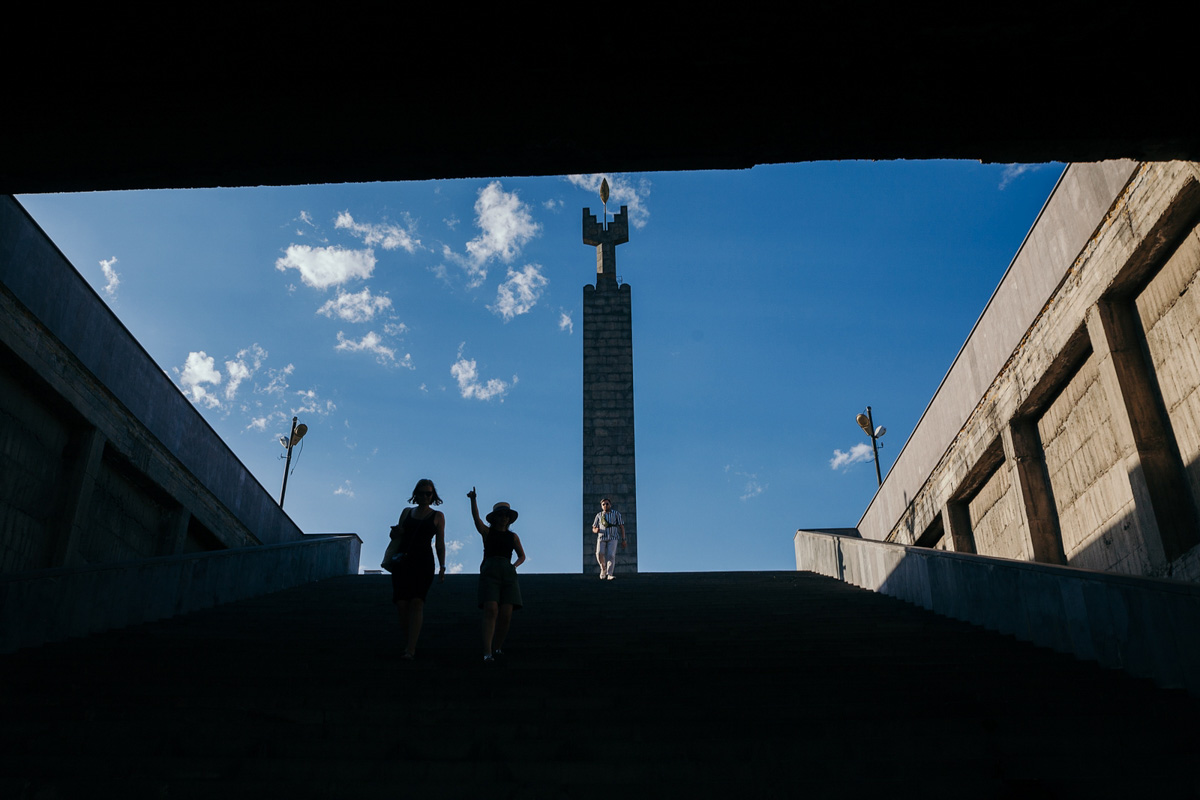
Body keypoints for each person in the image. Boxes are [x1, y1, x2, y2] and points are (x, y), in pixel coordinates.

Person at [382, 478, 446, 660]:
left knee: (417, 602)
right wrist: (395, 532)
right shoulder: (406, 512)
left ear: (433, 496)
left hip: (424, 562)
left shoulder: (438, 516)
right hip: (403, 561)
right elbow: (398, 534)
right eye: (422, 492)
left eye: (429, 493)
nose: (425, 496)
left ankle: (411, 648)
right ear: (415, 494)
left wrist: (442, 567)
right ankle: (409, 639)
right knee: (402, 604)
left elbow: (440, 543)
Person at [468, 487, 525, 663]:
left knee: (506, 613)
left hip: (507, 572)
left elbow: (522, 555)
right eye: (501, 515)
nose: (504, 518)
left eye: (506, 515)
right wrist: (473, 500)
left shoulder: (513, 536)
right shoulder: (487, 532)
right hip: (491, 569)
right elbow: (476, 520)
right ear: (495, 517)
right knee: (491, 609)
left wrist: (514, 566)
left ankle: (497, 646)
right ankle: (487, 651)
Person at [592, 498, 626, 580]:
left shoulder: (616, 514)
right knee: (599, 553)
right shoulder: (599, 515)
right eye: (603, 504)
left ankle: (609, 573)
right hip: (602, 537)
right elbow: (594, 527)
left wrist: (624, 539)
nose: (605, 505)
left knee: (611, 555)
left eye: (607, 504)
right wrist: (596, 530)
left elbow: (621, 526)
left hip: (613, 537)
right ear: (601, 506)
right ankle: (603, 568)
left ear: (610, 505)